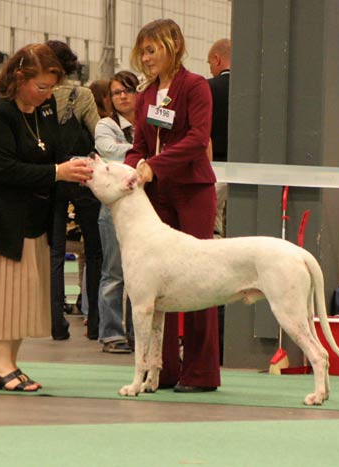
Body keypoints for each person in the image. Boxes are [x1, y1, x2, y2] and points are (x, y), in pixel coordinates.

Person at [0, 44, 93, 391]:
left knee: (24, 295)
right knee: (3, 293)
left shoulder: (42, 107)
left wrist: (77, 167)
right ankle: (0, 365)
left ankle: (10, 364)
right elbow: (3, 169)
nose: (47, 95)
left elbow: (54, 150)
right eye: (42, 87)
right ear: (19, 77)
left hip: (31, 216)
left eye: (51, 88)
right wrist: (57, 173)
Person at [125, 19, 220, 392]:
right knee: (156, 288)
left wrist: (154, 167)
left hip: (193, 191)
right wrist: (131, 170)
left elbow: (198, 139)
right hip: (156, 196)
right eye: (143, 51)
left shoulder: (196, 86)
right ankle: (160, 370)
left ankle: (201, 373)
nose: (146, 58)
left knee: (201, 281)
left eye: (152, 50)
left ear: (174, 46)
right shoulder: (145, 95)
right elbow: (139, 146)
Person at [45, 40, 102, 341]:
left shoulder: (38, 95)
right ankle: (95, 325)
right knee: (94, 251)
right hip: (81, 177)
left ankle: (56, 325)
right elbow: (98, 134)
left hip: (49, 177)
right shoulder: (83, 95)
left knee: (55, 252)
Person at [94, 71, 140, 354]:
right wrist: (143, 149)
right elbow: (109, 152)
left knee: (141, 274)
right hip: (112, 210)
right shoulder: (105, 124)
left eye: (127, 90)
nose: (122, 96)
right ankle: (111, 333)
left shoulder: (149, 122)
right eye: (115, 92)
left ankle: (138, 332)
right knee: (113, 273)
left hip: (142, 210)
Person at [207, 38, 230, 239]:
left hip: (217, 167)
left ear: (217, 59)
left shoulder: (208, 88)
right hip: (252, 169)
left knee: (213, 222)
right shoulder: (255, 90)